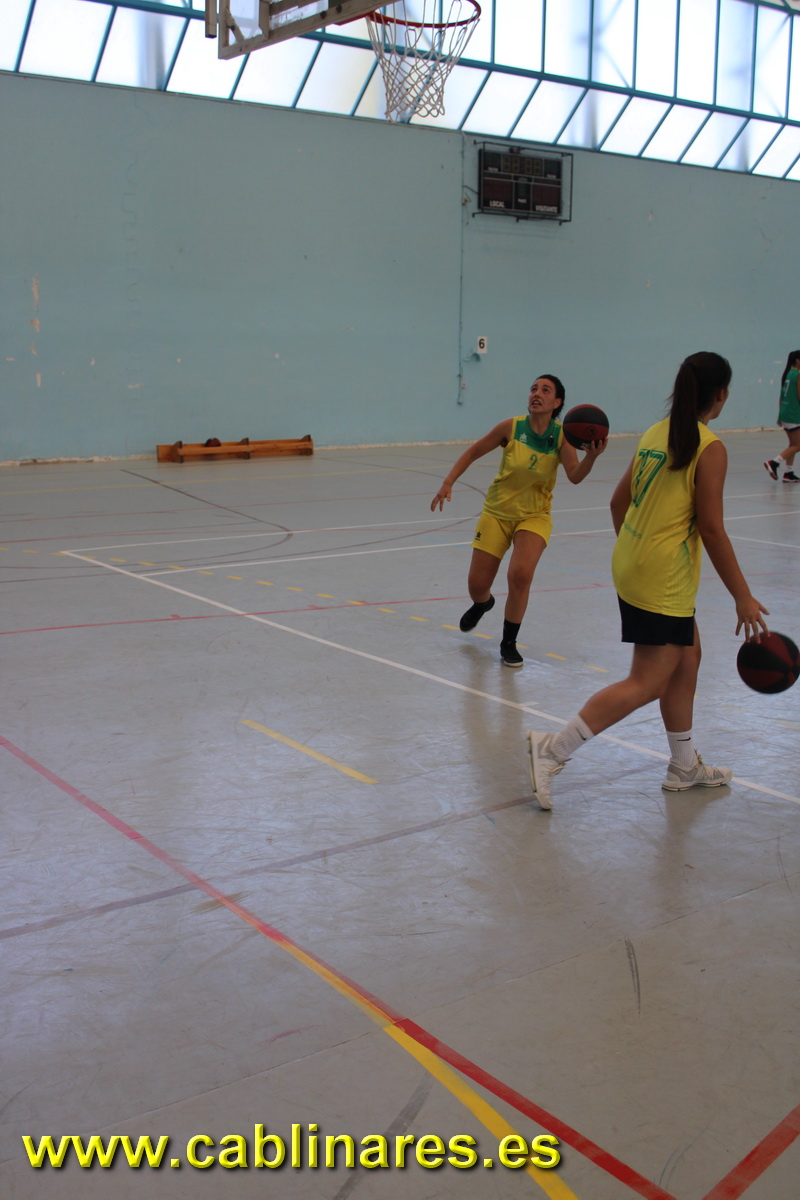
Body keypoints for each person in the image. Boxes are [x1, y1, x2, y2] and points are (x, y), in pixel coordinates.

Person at [526, 352, 769, 809]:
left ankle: (684, 765)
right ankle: (553, 750)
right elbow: (712, 529)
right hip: (663, 578)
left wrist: (639, 553)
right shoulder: (710, 448)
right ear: (721, 394)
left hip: (632, 561)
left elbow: (618, 503)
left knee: (688, 656)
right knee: (648, 681)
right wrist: (743, 597)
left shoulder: (657, 432)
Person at [430, 376, 606, 667]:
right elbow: (473, 452)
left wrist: (591, 458)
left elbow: (575, 475)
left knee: (520, 575)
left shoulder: (561, 436)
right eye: (534, 389)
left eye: (545, 391)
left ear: (557, 402)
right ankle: (483, 603)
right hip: (497, 513)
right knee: (477, 585)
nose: (537, 394)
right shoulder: (511, 428)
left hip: (534, 516)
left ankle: (509, 642)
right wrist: (448, 482)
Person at [764, 350, 800, 483]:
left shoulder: (787, 374)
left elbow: (782, 396)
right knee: (798, 445)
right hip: (794, 413)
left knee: (793, 444)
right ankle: (774, 462)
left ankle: (788, 473)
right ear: (797, 360)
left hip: (785, 412)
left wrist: (780, 415)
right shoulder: (797, 374)